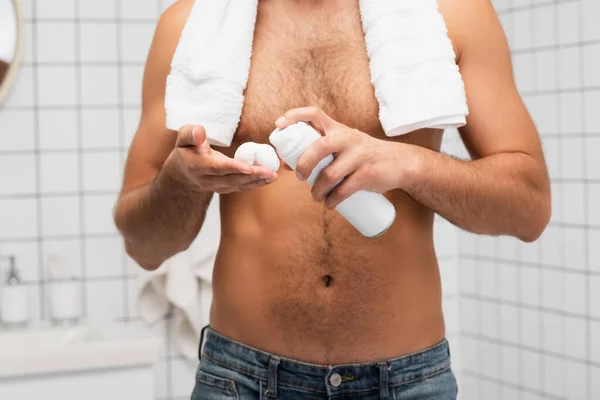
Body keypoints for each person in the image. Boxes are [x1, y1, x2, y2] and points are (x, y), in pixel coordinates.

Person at [114, 0, 551, 398]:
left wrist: (409, 164)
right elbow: (144, 247)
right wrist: (180, 182)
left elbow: (528, 210)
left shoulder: (452, 13)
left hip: (407, 382)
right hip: (241, 377)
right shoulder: (190, 26)